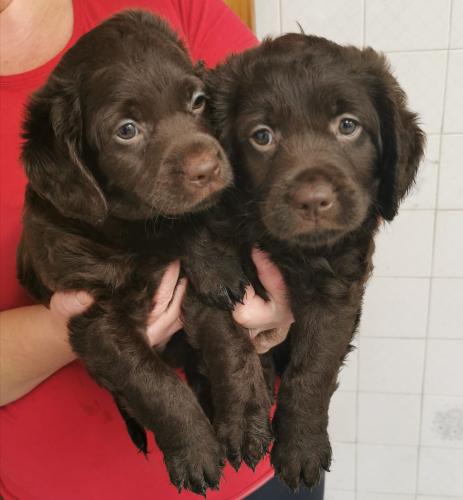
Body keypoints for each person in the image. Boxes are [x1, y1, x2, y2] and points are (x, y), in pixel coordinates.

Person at [0, 0, 324, 498]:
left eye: (195, 101)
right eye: (127, 130)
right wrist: (67, 327)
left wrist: (294, 292)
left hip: (264, 470)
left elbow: (294, 166)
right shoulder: (71, 210)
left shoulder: (172, 9)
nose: (198, 157)